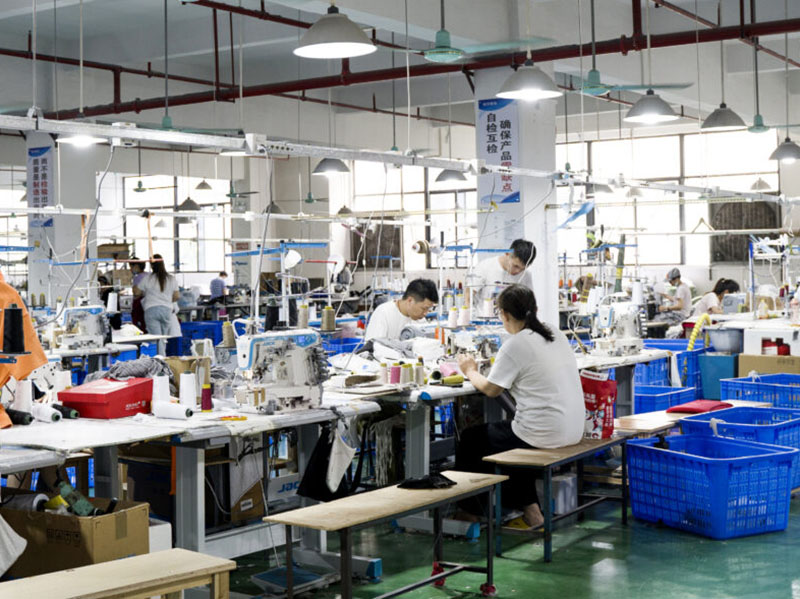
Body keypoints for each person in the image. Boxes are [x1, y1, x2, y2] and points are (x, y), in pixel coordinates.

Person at [456, 284, 584, 530]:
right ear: (534, 309)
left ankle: (470, 513)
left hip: (546, 432)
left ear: (503, 315)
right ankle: (531, 510)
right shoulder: (554, 333)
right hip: (574, 428)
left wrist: (470, 370)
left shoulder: (515, 345)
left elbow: (492, 389)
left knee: (473, 440)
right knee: (513, 434)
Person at [364, 279, 438, 341]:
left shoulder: (420, 320)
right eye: (424, 308)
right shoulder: (384, 313)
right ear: (410, 301)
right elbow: (371, 347)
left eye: (428, 309)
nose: (425, 313)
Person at [471, 239, 536, 309]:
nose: (518, 271)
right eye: (515, 266)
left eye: (523, 269)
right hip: (484, 318)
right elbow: (469, 293)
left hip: (512, 318)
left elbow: (529, 302)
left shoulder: (526, 275)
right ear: (507, 254)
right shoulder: (485, 266)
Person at [133, 254, 178, 354]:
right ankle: (163, 359)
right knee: (163, 339)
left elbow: (137, 293)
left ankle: (160, 361)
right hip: (166, 310)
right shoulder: (171, 278)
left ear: (152, 266)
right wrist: (166, 298)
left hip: (151, 310)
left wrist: (135, 283)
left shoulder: (148, 278)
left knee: (155, 340)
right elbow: (176, 296)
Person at [129, 258, 148, 332]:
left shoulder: (138, 277)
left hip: (140, 306)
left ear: (136, 266)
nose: (130, 269)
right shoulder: (149, 275)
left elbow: (136, 293)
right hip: (148, 305)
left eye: (131, 267)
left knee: (139, 328)